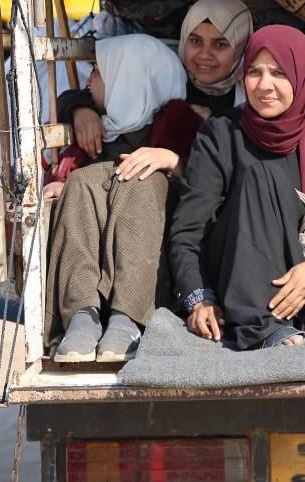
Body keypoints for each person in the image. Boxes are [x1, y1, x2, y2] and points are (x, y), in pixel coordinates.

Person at [168, 25, 305, 350]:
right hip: (235, 273)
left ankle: (286, 319)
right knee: (257, 176)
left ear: (301, 77)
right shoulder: (221, 134)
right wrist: (198, 297)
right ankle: (262, 325)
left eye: (279, 73)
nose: (264, 86)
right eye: (255, 72)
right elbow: (189, 228)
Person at [44, 34, 204, 362]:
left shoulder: (181, 127)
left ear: (130, 80)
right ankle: (81, 313)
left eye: (101, 72)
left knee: (141, 180)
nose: (90, 79)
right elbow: (69, 98)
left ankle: (128, 317)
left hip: (158, 267)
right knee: (82, 182)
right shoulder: (105, 127)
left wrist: (172, 162)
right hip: (101, 237)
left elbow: (208, 181)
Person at [60, 0, 253, 158]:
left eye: (220, 45)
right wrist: (81, 110)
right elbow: (101, 91)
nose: (204, 54)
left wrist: (215, 123)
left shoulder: (252, 96)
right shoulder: (164, 72)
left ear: (241, 47)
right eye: (195, 41)